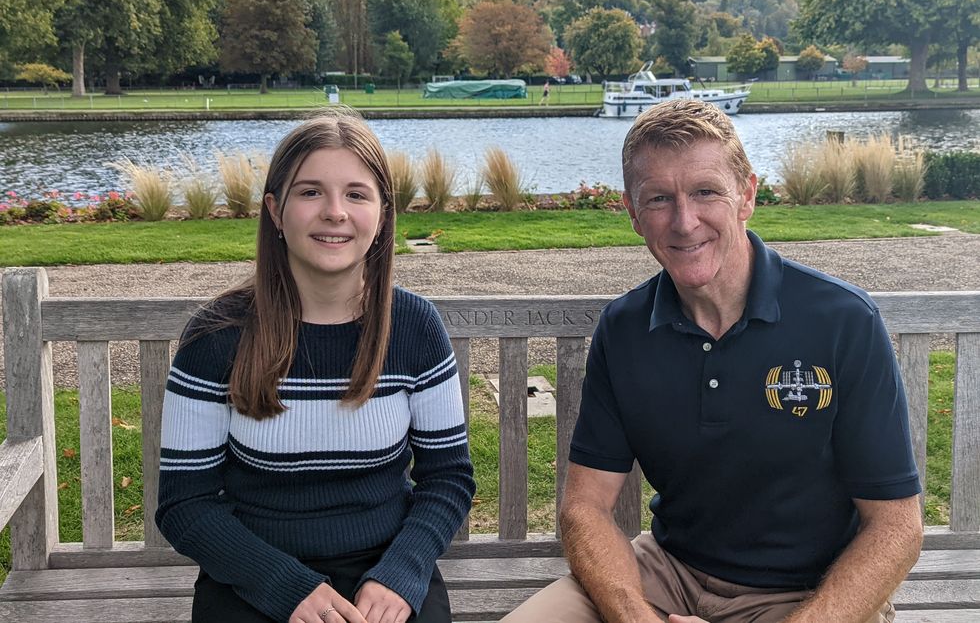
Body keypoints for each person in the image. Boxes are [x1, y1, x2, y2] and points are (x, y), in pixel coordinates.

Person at [503, 99, 922, 623]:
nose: (684, 221)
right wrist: (636, 618)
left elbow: (897, 526)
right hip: (666, 573)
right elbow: (585, 507)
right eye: (658, 199)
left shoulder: (842, 320)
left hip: (807, 595)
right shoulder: (625, 328)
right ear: (633, 215)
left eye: (705, 191)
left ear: (746, 196)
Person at [156, 108, 475, 623]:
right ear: (275, 212)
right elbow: (185, 503)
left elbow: (448, 479)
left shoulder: (415, 328)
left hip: (385, 572)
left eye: (356, 193)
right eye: (310, 192)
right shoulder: (216, 338)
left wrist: (401, 574)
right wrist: (285, 588)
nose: (334, 212)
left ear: (382, 213)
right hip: (253, 573)